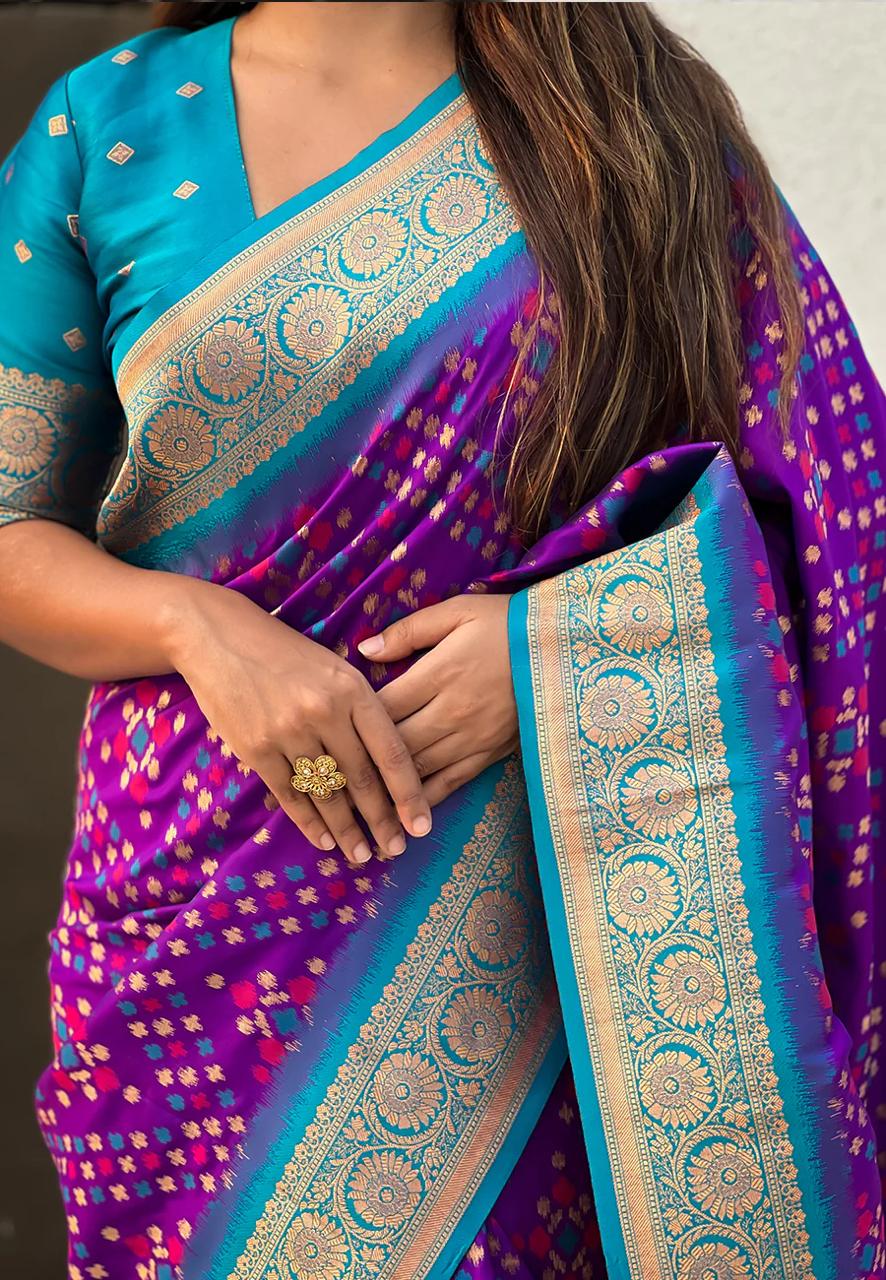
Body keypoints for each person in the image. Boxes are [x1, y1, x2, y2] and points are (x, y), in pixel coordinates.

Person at [0, 3, 883, 1277]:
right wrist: (194, 624)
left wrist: (560, 653)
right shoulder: (108, 128)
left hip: (559, 914)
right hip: (199, 917)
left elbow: (839, 516)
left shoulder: (634, 121)